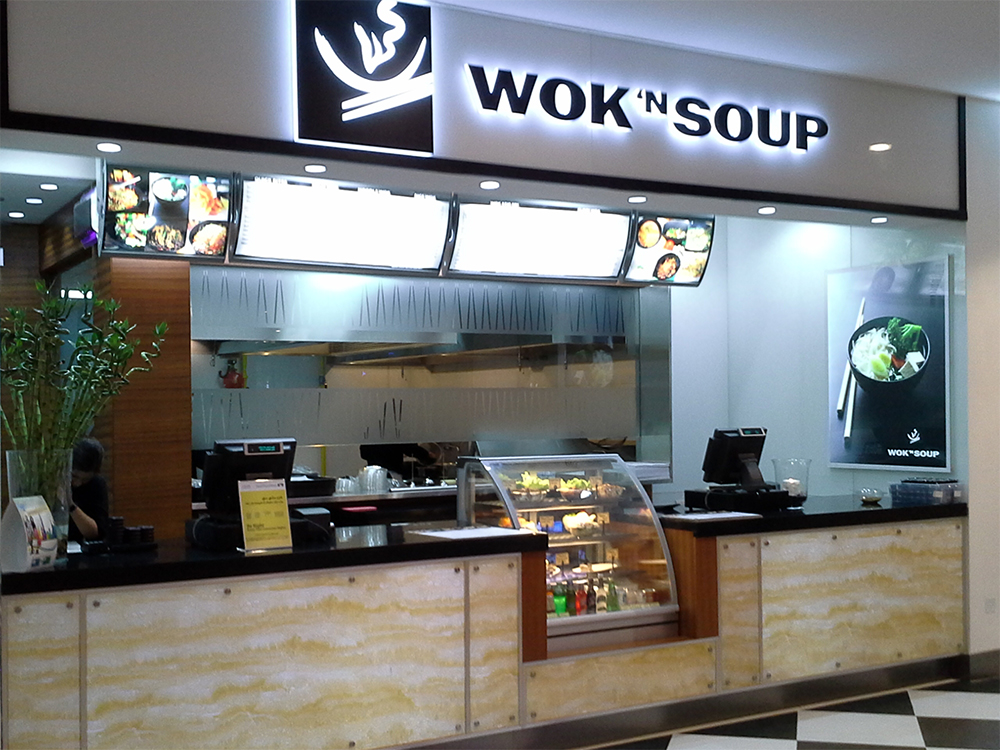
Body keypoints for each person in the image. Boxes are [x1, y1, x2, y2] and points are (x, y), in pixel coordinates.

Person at [70, 437, 109, 543]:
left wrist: (70, 505)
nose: (78, 483)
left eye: (85, 480)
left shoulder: (96, 484)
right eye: (74, 476)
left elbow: (96, 532)